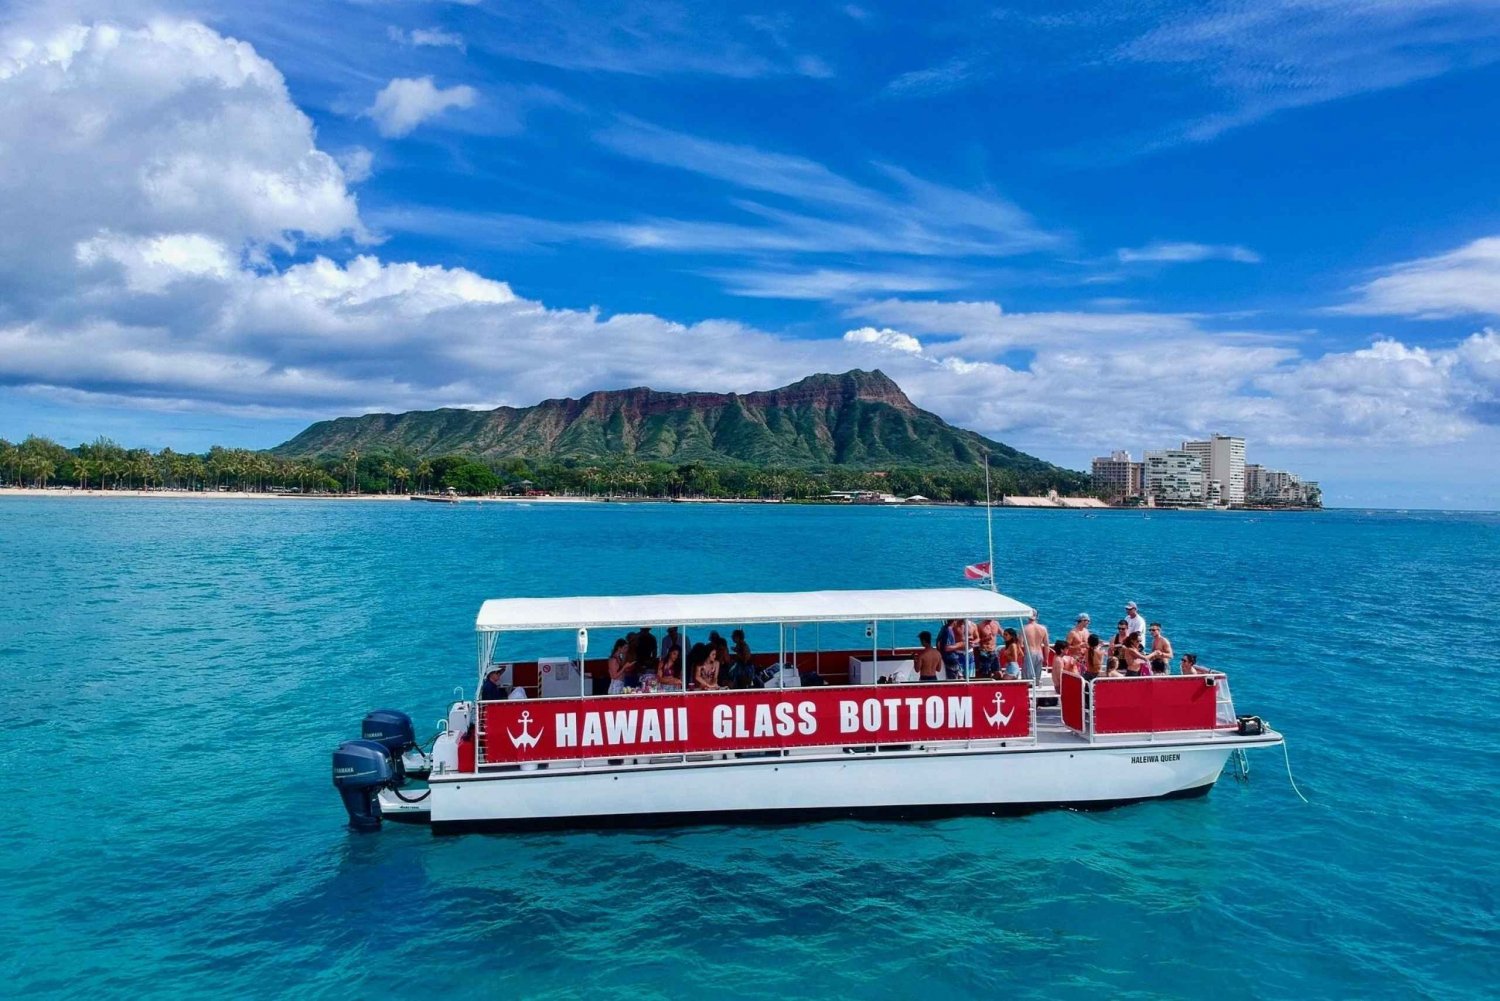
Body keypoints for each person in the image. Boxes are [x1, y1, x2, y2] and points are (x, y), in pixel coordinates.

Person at [1022, 612, 1050, 683]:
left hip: (1029, 653)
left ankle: (1029, 692)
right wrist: (1046, 659)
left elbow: (1019, 644)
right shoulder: (1043, 628)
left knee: (1028, 679)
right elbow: (1046, 645)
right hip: (1039, 653)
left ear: (1028, 616)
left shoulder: (1024, 628)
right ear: (1037, 616)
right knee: (1037, 679)